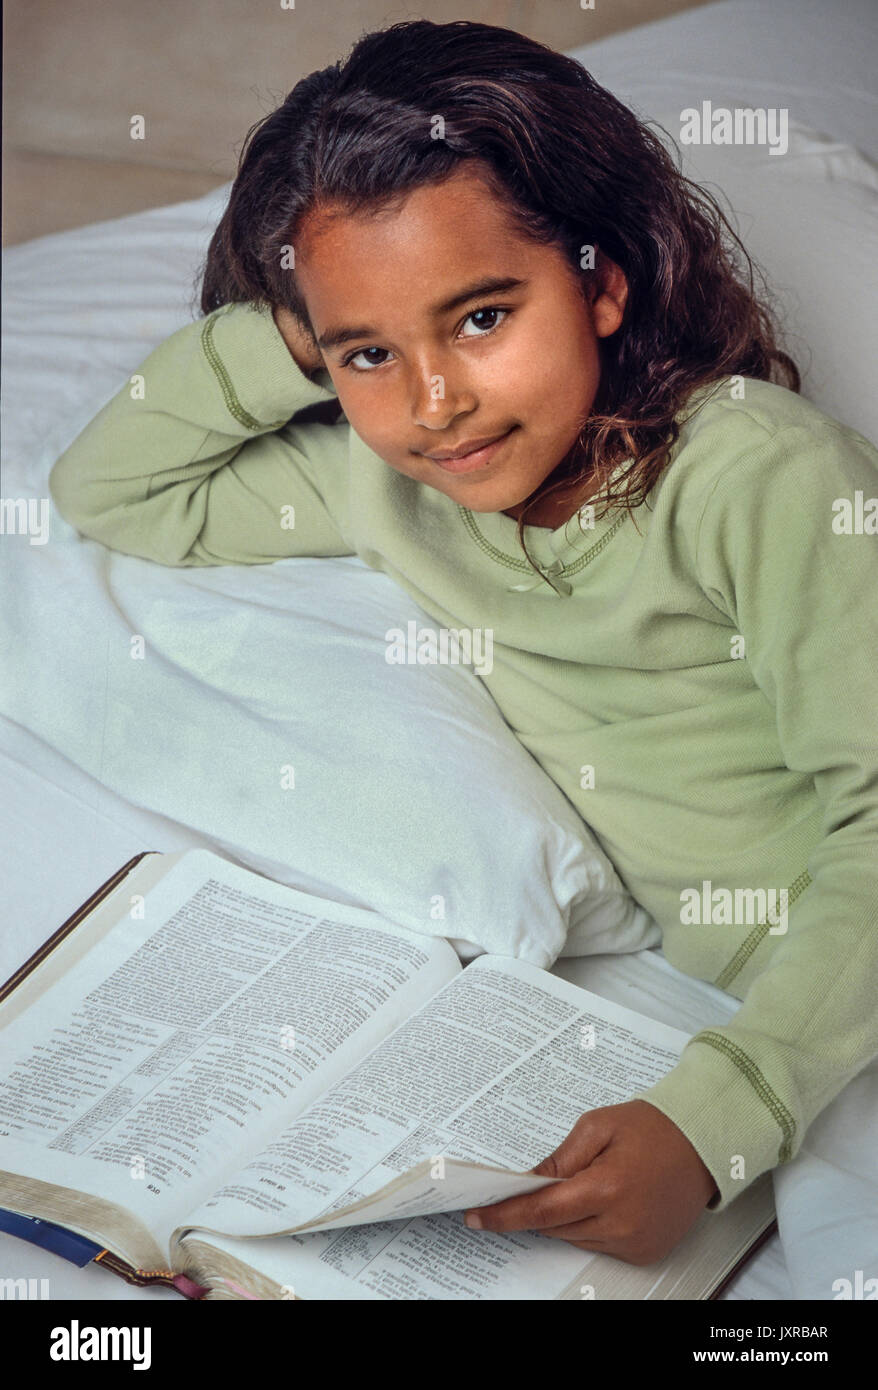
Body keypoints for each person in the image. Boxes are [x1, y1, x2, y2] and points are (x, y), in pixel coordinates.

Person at [48, 19, 878, 1269]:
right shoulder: (386, 487)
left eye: (482, 316)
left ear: (602, 282)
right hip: (740, 1000)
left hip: (825, 990)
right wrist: (301, 321)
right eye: (371, 353)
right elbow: (116, 492)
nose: (434, 402)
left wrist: (722, 1116)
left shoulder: (752, 470)